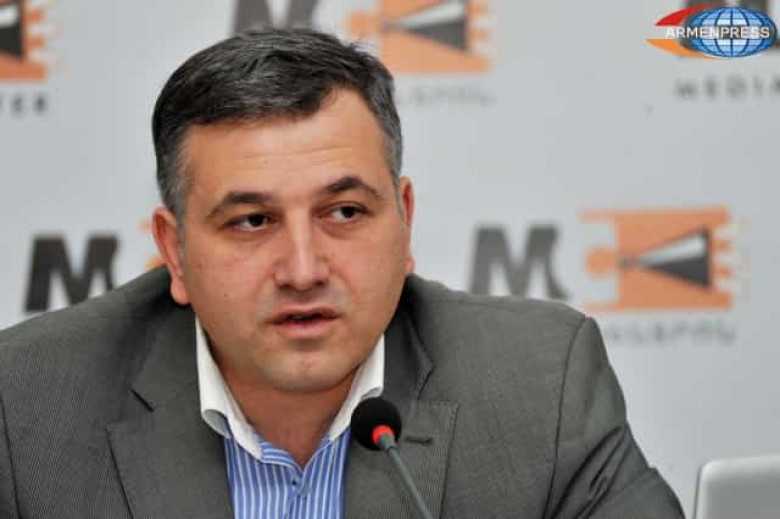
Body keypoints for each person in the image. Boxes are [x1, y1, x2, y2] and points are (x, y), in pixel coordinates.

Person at [0, 28, 684, 518]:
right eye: (252, 221)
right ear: (174, 252)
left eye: (345, 212)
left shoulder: (537, 385)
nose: (303, 269)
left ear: (404, 221)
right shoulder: (27, 407)